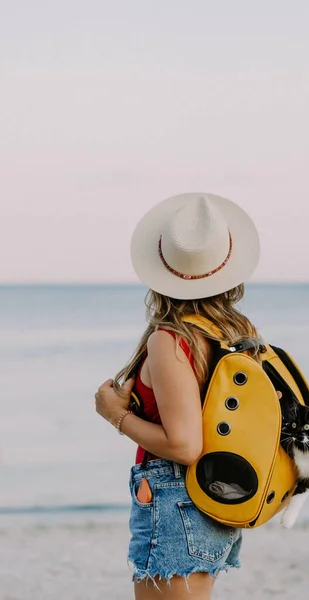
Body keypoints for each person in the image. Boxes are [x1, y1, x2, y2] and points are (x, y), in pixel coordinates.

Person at [95, 192, 261, 599]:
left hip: (175, 498)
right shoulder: (236, 335)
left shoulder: (171, 340)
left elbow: (184, 446)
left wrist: (116, 416)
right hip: (216, 497)